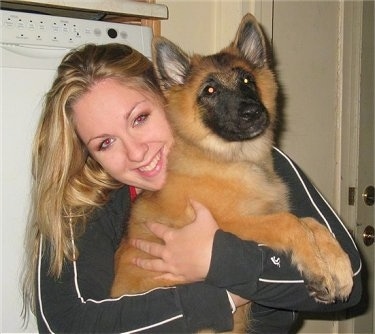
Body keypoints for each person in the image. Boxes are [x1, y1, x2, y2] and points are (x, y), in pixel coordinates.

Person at [22, 43, 362, 334]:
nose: (136, 153)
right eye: (106, 142)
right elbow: (64, 324)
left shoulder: (255, 158)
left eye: (140, 118)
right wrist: (224, 294)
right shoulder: (85, 203)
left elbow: (349, 282)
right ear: (90, 154)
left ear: (168, 99)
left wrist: (220, 259)